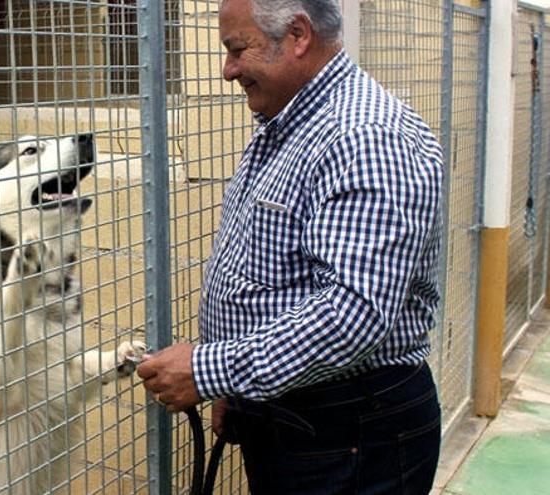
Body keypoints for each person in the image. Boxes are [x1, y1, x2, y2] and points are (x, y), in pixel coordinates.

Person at [136, 0, 444, 493]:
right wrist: (237, 387)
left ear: (298, 34)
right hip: (299, 415)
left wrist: (209, 369)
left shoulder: (364, 137)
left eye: (238, 49)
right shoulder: (289, 124)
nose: (227, 70)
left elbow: (353, 314)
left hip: (350, 432)